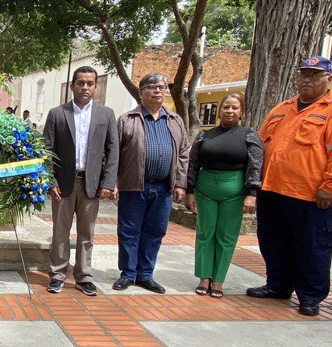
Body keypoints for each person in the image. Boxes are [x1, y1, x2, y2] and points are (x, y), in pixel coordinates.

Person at [247, 56, 332, 316]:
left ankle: (310, 296)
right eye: (304, 74)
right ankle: (278, 285)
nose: (307, 79)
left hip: (313, 196)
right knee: (274, 242)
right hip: (273, 190)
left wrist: (331, 188)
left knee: (313, 247)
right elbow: (258, 145)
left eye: (315, 74)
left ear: (328, 79)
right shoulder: (281, 109)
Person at [43, 66, 119, 295]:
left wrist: (108, 182)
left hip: (92, 185)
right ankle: (57, 274)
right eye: (80, 83)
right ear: (73, 85)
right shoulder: (57, 113)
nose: (85, 87)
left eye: (90, 83)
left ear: (95, 86)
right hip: (64, 183)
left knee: (87, 233)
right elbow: (46, 150)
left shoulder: (106, 114)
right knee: (60, 232)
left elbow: (113, 149)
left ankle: (84, 276)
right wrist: (50, 180)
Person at [112, 73, 188, 293]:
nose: (158, 91)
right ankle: (127, 274)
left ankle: (145, 274)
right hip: (133, 186)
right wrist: (113, 182)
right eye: (152, 87)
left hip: (163, 187)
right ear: (141, 92)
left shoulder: (175, 120)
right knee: (129, 231)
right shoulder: (127, 120)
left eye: (161, 87)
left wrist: (180, 184)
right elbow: (114, 153)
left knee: (155, 231)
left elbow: (184, 153)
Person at [184, 92, 262, 298]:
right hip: (206, 188)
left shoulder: (249, 135)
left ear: (241, 112)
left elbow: (255, 165)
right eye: (226, 107)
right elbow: (193, 163)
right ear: (219, 110)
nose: (230, 111)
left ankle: (218, 280)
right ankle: (204, 277)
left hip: (234, 190)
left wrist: (252, 193)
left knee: (226, 236)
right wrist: (190, 190)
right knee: (205, 234)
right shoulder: (205, 135)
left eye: (235, 108)